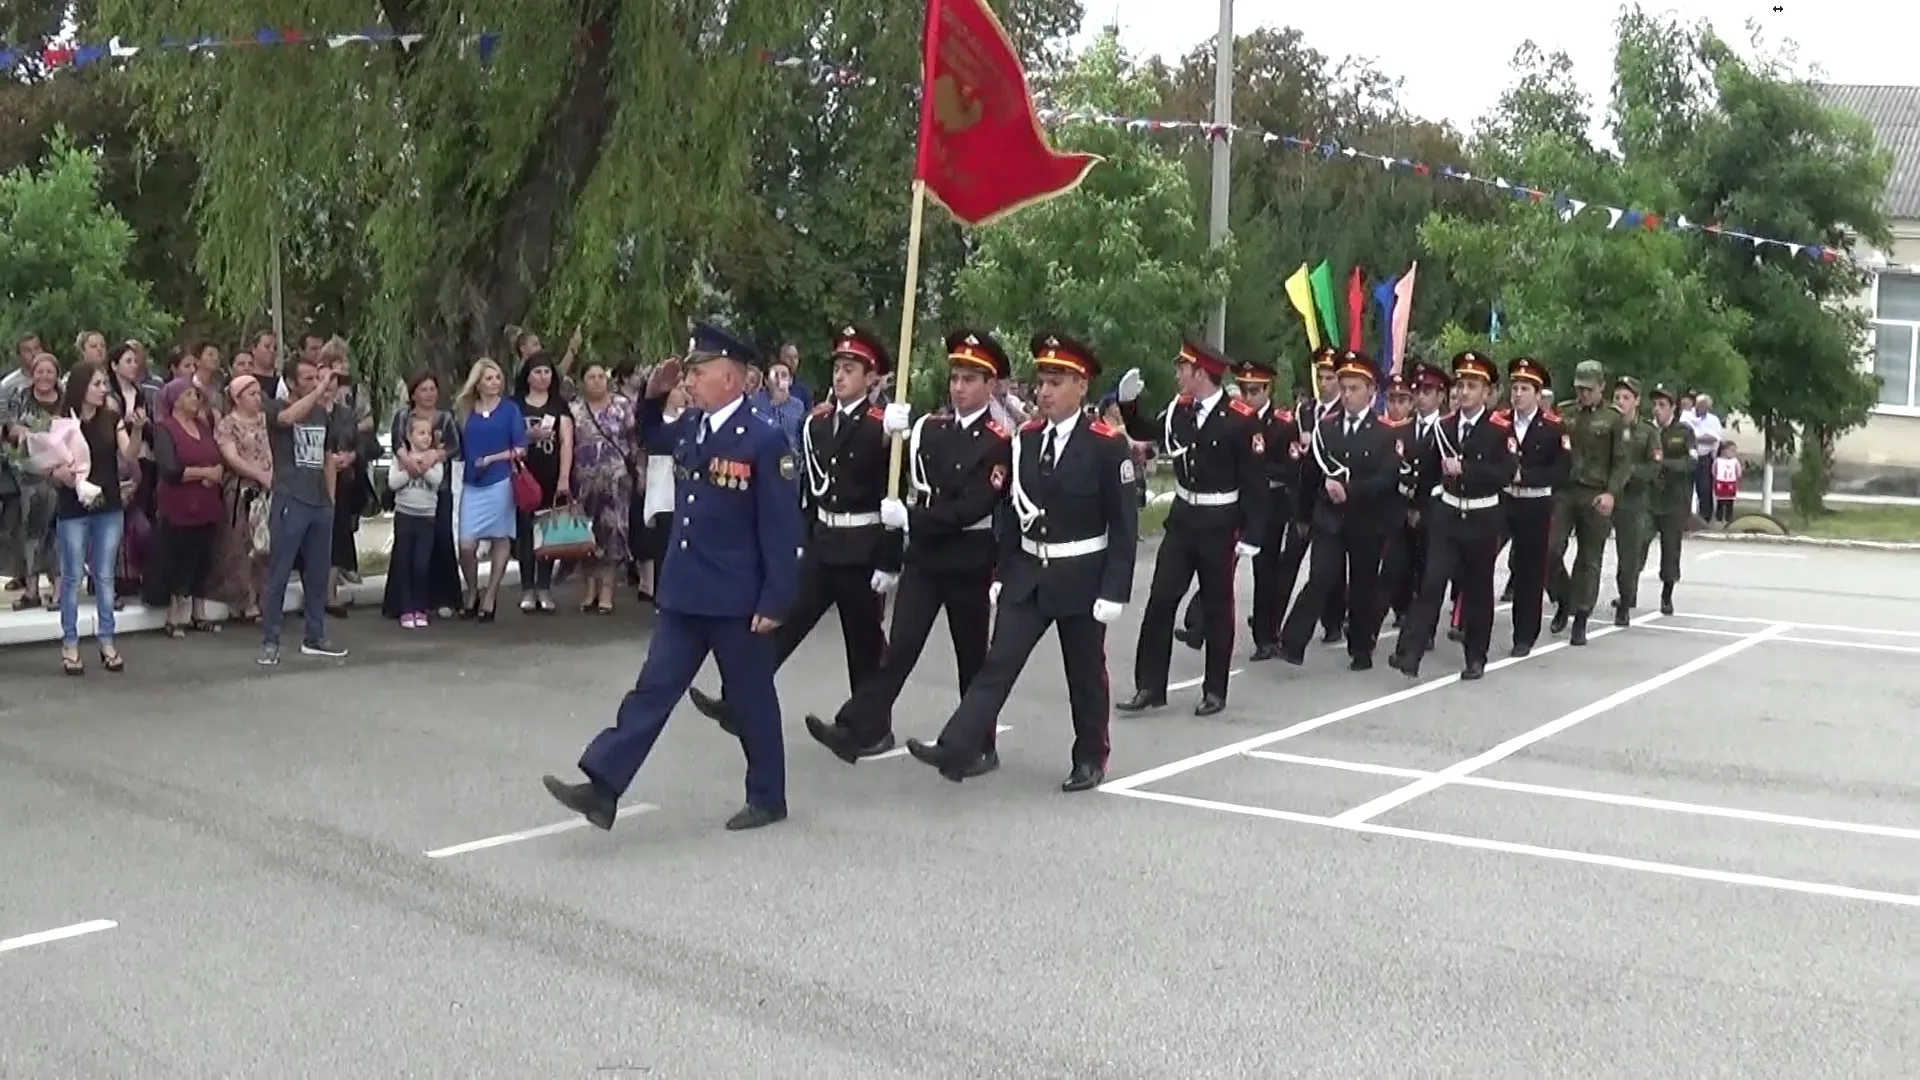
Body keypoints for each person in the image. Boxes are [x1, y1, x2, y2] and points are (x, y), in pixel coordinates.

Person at [544, 323, 801, 832]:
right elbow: (649, 433)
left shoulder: (764, 438)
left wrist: (776, 598)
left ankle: (768, 795)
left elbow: (780, 525)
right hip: (685, 590)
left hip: (736, 595)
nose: (691, 381)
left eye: (699, 372)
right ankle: (603, 787)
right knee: (652, 690)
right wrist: (652, 393)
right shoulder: (691, 427)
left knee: (751, 699)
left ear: (730, 377)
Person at [905, 333, 1138, 792]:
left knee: (1084, 673)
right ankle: (958, 746)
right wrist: (1002, 571)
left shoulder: (1106, 445)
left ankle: (1090, 756)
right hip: (1029, 575)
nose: (1045, 392)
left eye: (1056, 382)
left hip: (1081, 576)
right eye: (1042, 382)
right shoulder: (1026, 439)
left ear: (1082, 387)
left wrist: (1115, 590)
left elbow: (1124, 527)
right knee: (997, 665)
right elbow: (1012, 512)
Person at [804, 329, 1014, 765]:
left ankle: (979, 746)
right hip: (925, 559)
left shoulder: (998, 441)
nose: (958, 387)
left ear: (990, 386)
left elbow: (969, 507)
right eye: (955, 378)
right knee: (898, 650)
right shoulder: (930, 429)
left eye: (970, 380)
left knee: (971, 656)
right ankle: (856, 728)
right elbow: (908, 475)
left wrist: (910, 519)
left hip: (968, 558)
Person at [687, 323, 899, 736]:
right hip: (823, 541)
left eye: (851, 369)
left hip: (863, 544)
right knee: (784, 622)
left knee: (865, 642)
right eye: (838, 366)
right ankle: (741, 700)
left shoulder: (883, 426)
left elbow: (896, 494)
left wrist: (898, 437)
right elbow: (810, 487)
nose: (840, 375)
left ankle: (869, 727)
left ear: (871, 378)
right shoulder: (818, 421)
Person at [1117, 339, 1265, 717]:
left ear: (1201, 373)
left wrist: (1252, 534)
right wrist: (1128, 404)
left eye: (1183, 367)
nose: (1178, 373)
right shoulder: (1178, 411)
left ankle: (1215, 688)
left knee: (1217, 608)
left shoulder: (1240, 419)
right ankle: (1150, 685)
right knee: (1161, 600)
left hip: (1220, 522)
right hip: (1183, 520)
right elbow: (1147, 430)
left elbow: (1254, 482)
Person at [1389, 351, 1518, 680]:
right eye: (1461, 385)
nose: (1464, 392)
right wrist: (1418, 505)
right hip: (1446, 517)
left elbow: (1506, 471)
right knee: (1431, 584)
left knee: (1477, 591)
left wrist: (1467, 470)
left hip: (1481, 517)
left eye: (1473, 386)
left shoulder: (1500, 429)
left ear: (1487, 392)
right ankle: (1411, 654)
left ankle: (1476, 656)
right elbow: (1429, 470)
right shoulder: (1444, 427)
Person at [1277, 349, 1401, 670]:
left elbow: (1386, 479)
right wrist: (1303, 516)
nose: (1347, 395)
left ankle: (1360, 647)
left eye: (1354, 388)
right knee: (1321, 577)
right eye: (1343, 387)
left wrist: (1350, 490)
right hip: (1328, 520)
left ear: (1371, 391)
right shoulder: (1326, 428)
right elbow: (1309, 475)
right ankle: (1292, 641)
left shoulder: (1386, 432)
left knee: (1362, 586)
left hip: (1365, 522)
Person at [257, 355, 350, 665]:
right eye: (308, 379)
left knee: (318, 573)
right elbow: (287, 420)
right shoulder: (276, 407)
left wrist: (331, 501)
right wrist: (318, 390)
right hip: (290, 498)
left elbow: (327, 458)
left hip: (318, 503)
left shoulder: (323, 416)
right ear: (293, 383)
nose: (316, 384)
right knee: (279, 572)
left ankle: (315, 635)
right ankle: (270, 640)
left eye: (317, 378)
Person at [49, 361, 137, 675]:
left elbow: (129, 455)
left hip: (108, 504)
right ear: (82, 387)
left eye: (104, 384)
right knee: (72, 576)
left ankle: (107, 639)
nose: (103, 390)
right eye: (98, 384)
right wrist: (57, 472)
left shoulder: (111, 418)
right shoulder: (61, 422)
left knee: (104, 575)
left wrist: (137, 430)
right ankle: (70, 642)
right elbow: (52, 467)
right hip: (73, 507)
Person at [1545, 360, 1631, 646]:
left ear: (1601, 388)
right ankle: (1563, 598)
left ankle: (1581, 617)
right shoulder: (1565, 412)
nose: (1583, 394)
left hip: (1596, 494)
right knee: (1550, 549)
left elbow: (1622, 462)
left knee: (1589, 560)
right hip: (1565, 492)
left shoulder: (1614, 419)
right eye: (1579, 388)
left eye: (1588, 389)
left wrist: (1611, 493)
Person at [1229, 359, 1300, 661]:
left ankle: (1265, 635)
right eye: (1243, 389)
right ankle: (1199, 623)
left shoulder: (1283, 423)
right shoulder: (1233, 419)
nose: (1248, 396)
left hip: (1271, 505)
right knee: (1220, 563)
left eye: (1254, 390)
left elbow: (1291, 466)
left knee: (1265, 571)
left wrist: (1256, 471)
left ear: (1268, 389)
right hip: (1238, 502)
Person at [1499, 357, 1569, 656]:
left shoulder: (1553, 427)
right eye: (1515, 387)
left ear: (1538, 395)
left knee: (1529, 572)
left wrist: (1525, 476)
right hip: (1502, 502)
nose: (1518, 394)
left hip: (1536, 503)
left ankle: (1524, 636)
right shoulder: (1498, 422)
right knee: (1476, 560)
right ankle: (1468, 623)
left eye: (1525, 388)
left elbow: (1562, 470)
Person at [387, 414, 449, 628]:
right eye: (420, 433)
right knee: (404, 563)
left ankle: (420, 608)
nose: (425, 437)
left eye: (428, 434)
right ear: (409, 435)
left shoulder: (435, 459)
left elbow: (436, 480)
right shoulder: (400, 459)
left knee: (420, 564)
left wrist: (420, 467)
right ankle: (406, 609)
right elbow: (393, 483)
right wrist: (410, 469)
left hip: (426, 518)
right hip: (405, 516)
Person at [1607, 376, 1659, 627]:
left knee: (1628, 557)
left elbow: (1654, 468)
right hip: (1605, 496)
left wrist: (1628, 472)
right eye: (1617, 397)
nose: (1620, 402)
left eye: (1626, 398)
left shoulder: (1648, 431)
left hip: (1632, 500)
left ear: (1637, 401)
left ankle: (1625, 602)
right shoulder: (1606, 425)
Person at [1643, 385, 1695, 615]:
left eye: (1662, 405)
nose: (1657, 409)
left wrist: (1664, 464)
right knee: (1637, 543)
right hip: (1649, 499)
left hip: (1674, 500)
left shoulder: (1684, 432)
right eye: (1654, 404)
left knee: (1670, 549)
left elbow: (1691, 463)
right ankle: (1627, 593)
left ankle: (1667, 595)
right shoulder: (1646, 431)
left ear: (1673, 408)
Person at [1712, 441, 1742, 523]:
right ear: (1724, 450)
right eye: (1732, 450)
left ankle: (1729, 518)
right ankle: (1719, 518)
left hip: (1730, 483)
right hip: (1720, 483)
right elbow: (1713, 471)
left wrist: (1735, 478)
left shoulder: (1735, 461)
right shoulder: (1718, 460)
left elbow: (1738, 472)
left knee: (1730, 502)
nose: (1734, 453)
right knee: (1720, 502)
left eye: (1735, 451)